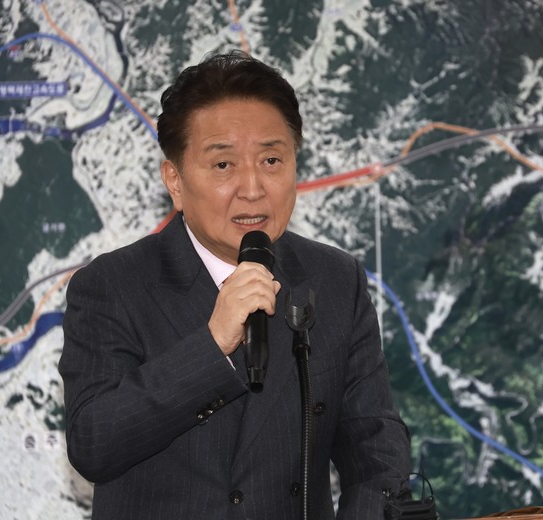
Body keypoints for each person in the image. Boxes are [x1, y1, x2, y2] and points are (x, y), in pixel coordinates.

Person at [59, 51, 411, 519]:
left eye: (271, 159)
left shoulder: (335, 280)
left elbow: (377, 454)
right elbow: (93, 444)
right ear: (175, 181)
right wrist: (211, 347)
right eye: (223, 165)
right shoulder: (112, 285)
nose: (253, 188)